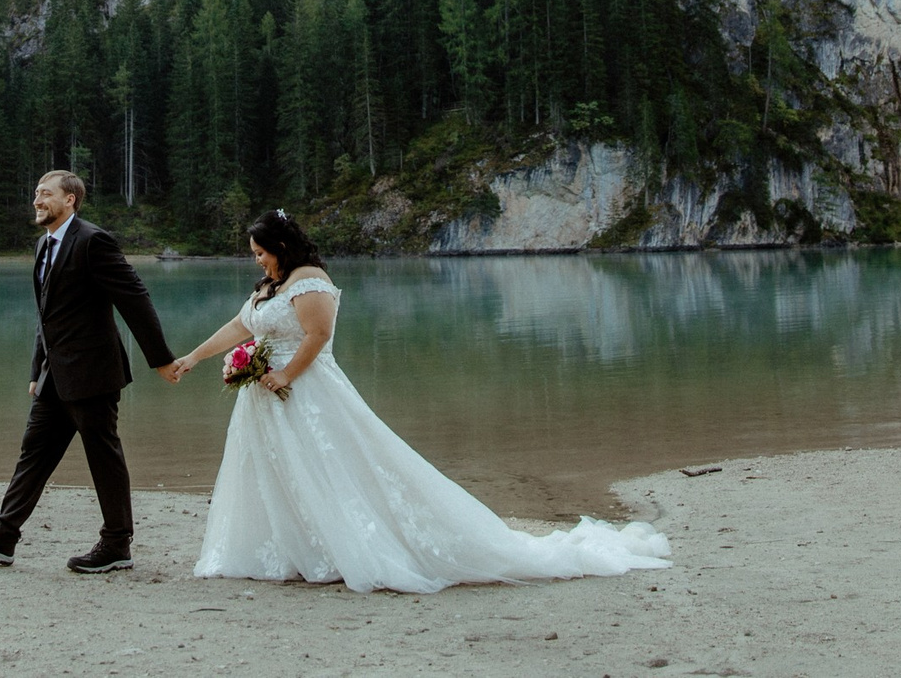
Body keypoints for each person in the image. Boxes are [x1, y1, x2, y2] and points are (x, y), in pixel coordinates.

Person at [160, 209, 672, 593]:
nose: (257, 259)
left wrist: (284, 375)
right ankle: (297, 551)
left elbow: (317, 336)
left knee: (337, 467)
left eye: (260, 251)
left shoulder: (310, 280)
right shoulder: (269, 287)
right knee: (281, 474)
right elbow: (239, 326)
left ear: (281, 246)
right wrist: (195, 357)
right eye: (254, 254)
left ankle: (353, 549)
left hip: (307, 390)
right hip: (267, 398)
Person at [0, 170, 176, 574]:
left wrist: (159, 358)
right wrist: (38, 367)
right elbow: (46, 314)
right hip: (55, 376)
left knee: (103, 457)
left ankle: (116, 544)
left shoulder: (93, 241)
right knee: (33, 453)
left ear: (70, 200)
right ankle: (3, 535)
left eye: (46, 194)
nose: (37, 201)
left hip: (93, 373)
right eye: (35, 193)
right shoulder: (43, 245)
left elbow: (134, 297)